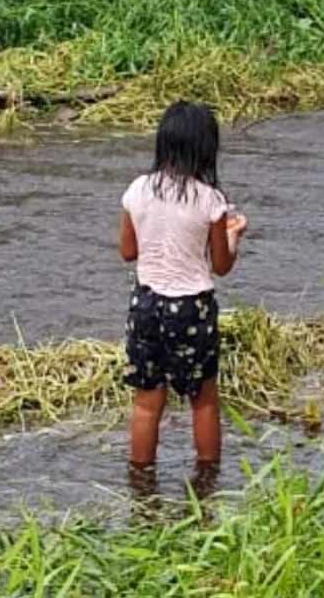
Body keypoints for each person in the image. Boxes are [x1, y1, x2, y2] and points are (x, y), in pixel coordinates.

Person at [117, 101, 247, 495]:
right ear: (206, 149)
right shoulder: (210, 200)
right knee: (203, 399)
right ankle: (207, 484)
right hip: (192, 307)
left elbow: (127, 251)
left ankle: (141, 486)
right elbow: (221, 266)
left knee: (145, 402)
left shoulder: (138, 189)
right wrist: (234, 235)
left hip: (146, 305)